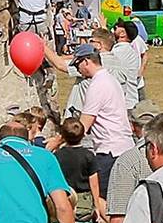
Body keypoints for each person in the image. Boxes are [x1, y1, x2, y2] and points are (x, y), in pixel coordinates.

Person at [49, 41, 132, 186]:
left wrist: (56, 142)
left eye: (77, 65)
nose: (77, 69)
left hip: (110, 151)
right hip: (124, 147)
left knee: (103, 199)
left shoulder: (97, 85)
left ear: (86, 61)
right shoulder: (110, 80)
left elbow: (81, 127)